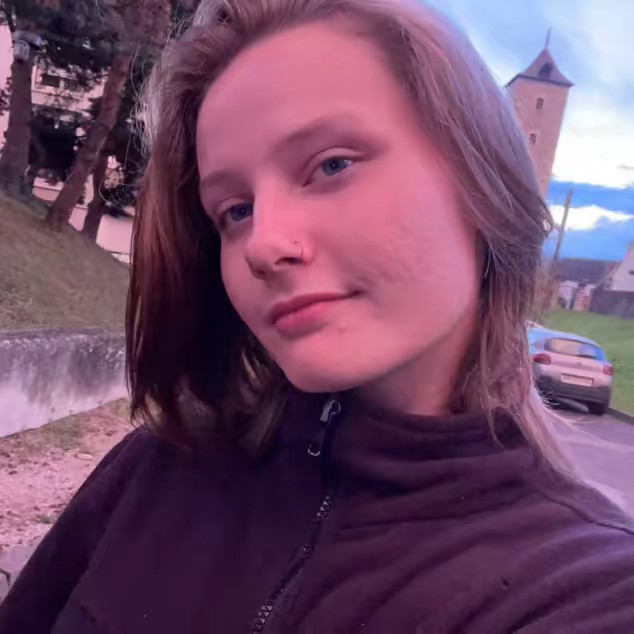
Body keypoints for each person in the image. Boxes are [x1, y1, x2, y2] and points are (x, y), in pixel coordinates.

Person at [1, 0, 633, 632]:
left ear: (482, 182)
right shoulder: (154, 470)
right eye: (236, 210)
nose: (263, 245)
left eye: (332, 165)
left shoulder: (586, 592)